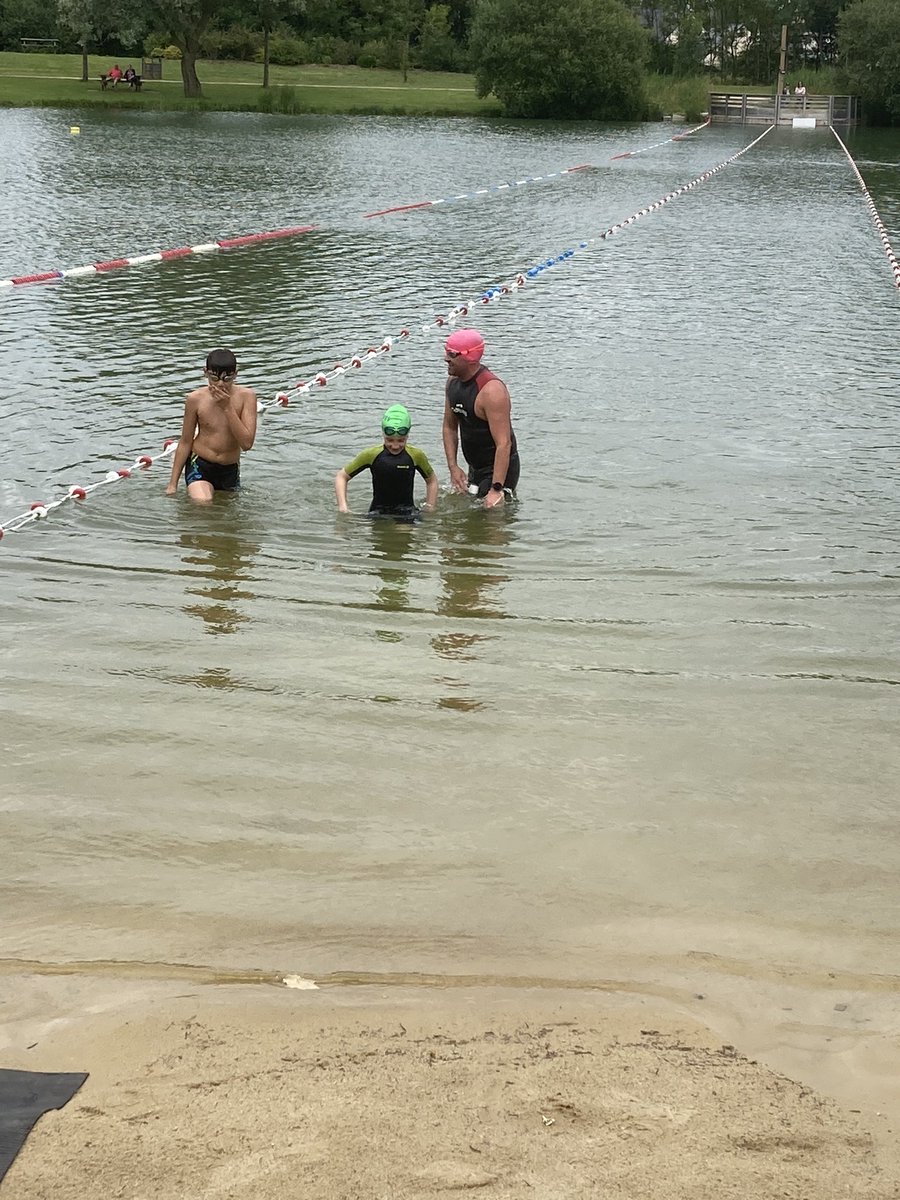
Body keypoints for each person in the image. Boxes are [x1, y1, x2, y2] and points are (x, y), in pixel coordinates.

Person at [166, 348, 257, 501]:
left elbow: (247, 443)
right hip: (200, 464)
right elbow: (185, 441)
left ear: (235, 374)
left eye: (227, 379)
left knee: (225, 518)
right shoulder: (195, 399)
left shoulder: (247, 397)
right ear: (205, 373)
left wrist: (227, 407)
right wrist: (172, 484)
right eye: (214, 379)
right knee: (203, 501)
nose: (221, 384)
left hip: (229, 469)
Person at [442, 328, 519, 509]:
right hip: (475, 466)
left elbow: (504, 443)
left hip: (500, 469)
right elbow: (449, 427)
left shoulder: (492, 391)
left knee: (492, 521)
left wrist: (497, 488)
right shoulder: (452, 383)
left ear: (469, 357)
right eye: (446, 352)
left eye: (452, 354)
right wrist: (453, 467)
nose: (446, 359)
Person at [335, 404, 438, 519]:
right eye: (389, 440)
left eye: (401, 440)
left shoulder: (416, 456)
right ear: (383, 434)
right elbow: (342, 476)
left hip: (407, 511)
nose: (395, 446)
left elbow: (432, 480)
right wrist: (343, 507)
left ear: (408, 436)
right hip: (377, 512)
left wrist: (430, 506)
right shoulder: (371, 455)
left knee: (402, 534)